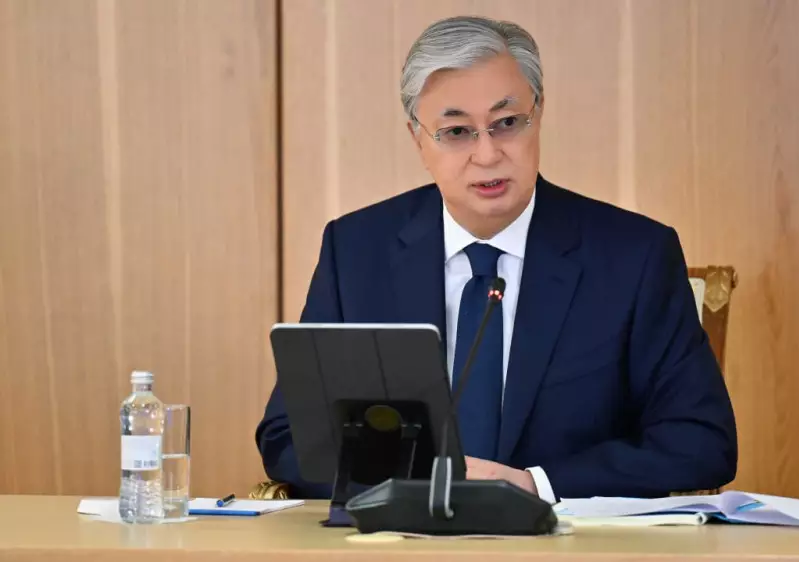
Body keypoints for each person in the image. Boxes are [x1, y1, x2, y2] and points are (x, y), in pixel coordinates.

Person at [256, 15, 737, 502]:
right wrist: (413, 485)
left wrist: (536, 484)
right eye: (456, 131)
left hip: (570, 536)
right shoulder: (357, 251)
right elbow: (288, 436)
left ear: (538, 115)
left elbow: (701, 442)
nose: (487, 155)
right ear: (418, 138)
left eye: (507, 123)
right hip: (399, 536)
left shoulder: (635, 256)